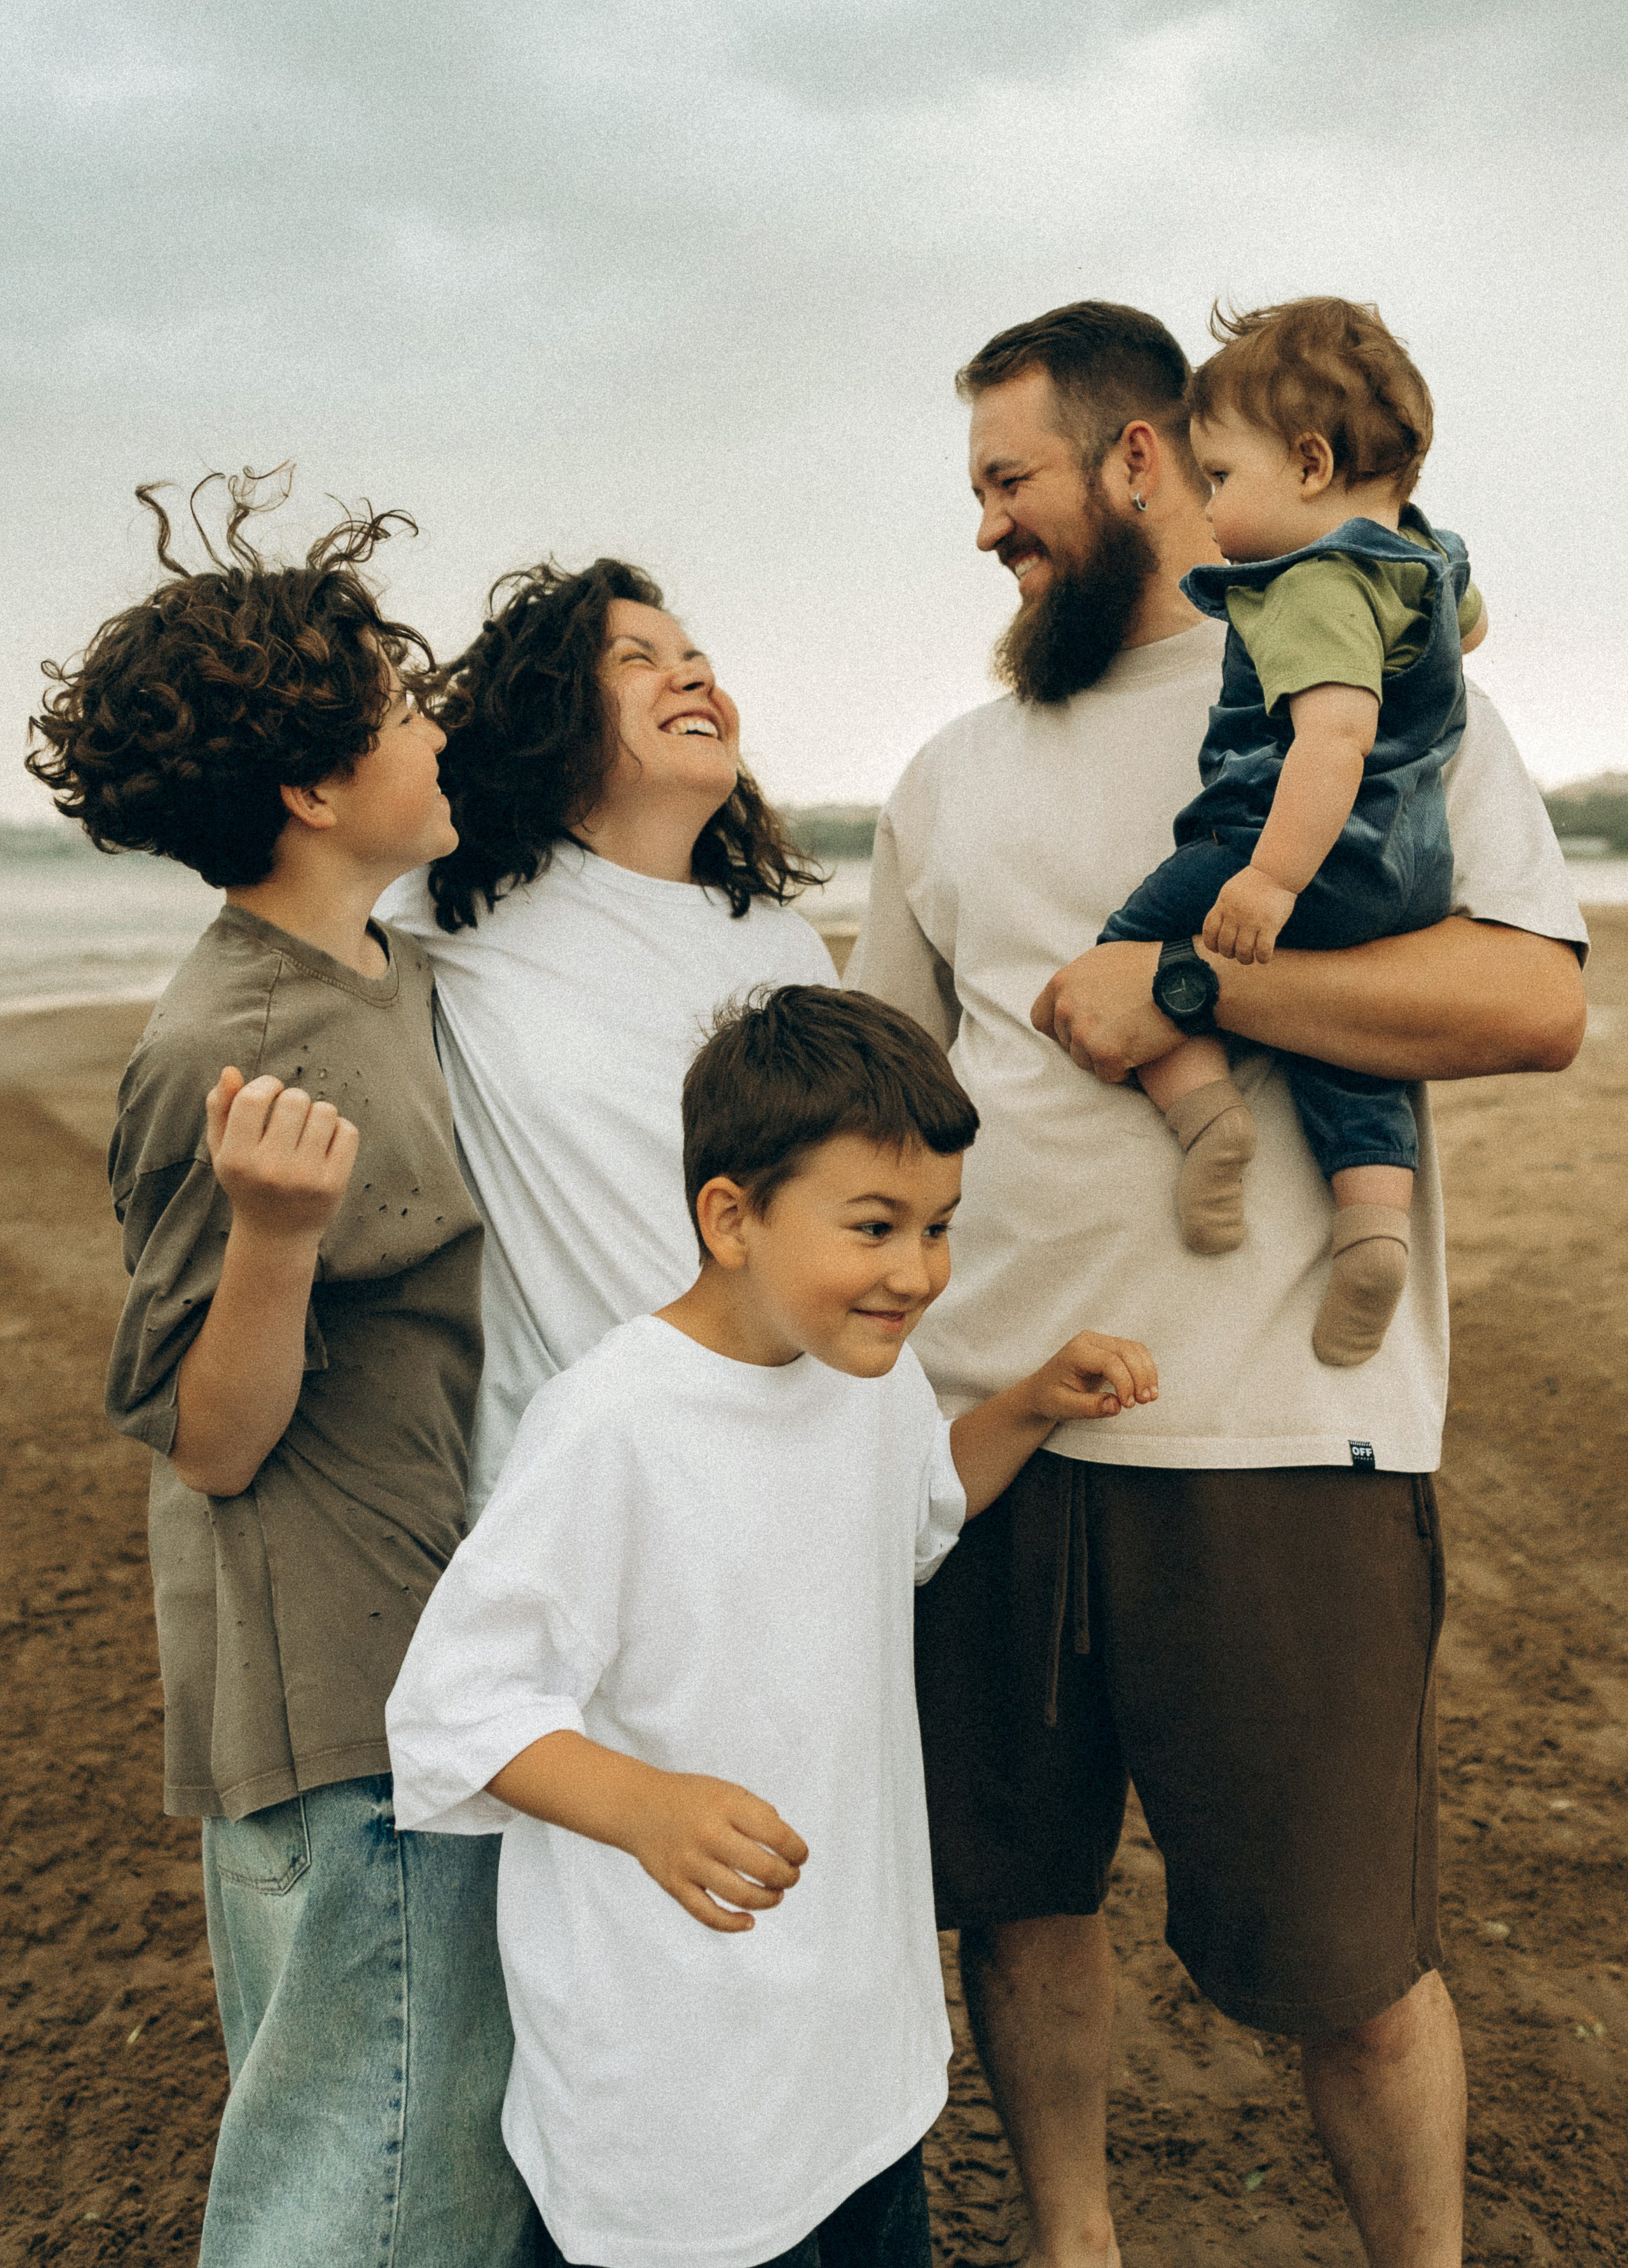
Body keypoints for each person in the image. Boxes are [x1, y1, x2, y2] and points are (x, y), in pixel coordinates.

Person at [848, 301, 1588, 2268]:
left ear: (1139, 461)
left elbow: (1535, 1002)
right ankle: (1073, 2243)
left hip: (1282, 1433)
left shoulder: (1386, 692)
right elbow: (879, 1114)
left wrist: (1194, 983)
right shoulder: (942, 778)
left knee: (1346, 1965)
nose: (989, 530)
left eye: (1010, 483)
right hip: (992, 1445)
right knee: (1014, 1900)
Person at [386, 986, 1158, 2268]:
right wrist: (643, 1805)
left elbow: (911, 1517)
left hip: (853, 2055)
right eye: (873, 1226)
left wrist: (1026, 1403)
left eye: (938, 1228)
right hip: (680, 2092)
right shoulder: (612, 1427)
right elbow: (458, 1707)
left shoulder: (871, 1375)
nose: (916, 1272)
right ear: (730, 1217)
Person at [26, 472, 537, 2268]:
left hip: (424, 1652)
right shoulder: (231, 1040)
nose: (435, 725)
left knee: (427, 2172)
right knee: (371, 2202)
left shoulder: (375, 967)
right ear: (317, 789)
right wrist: (267, 1237)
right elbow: (207, 1438)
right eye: (404, 711)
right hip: (343, 1704)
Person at [379, 555, 834, 1519]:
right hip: (560, 1488)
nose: (694, 675)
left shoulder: (788, 949)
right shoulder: (447, 911)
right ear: (552, 713)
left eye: (698, 657)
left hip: (778, 1462)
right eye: (638, 659)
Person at [1098, 296, 1489, 1367]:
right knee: (1342, 1046)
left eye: (1221, 478)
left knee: (1126, 949)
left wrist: (1268, 880)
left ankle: (1209, 1122)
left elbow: (1332, 743)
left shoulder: (1312, 587)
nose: (1208, 504)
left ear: (1310, 464)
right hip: (1402, 872)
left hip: (1304, 848)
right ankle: (1371, 1231)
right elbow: (1470, 629)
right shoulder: (1424, 558)